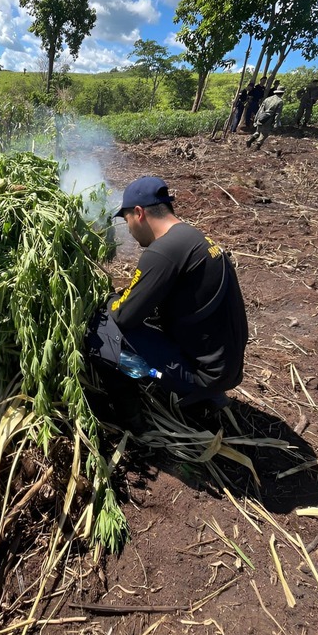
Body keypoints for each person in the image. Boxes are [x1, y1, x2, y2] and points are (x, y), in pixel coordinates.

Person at [85, 177, 248, 421]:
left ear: (139, 213)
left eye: (127, 220)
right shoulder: (192, 237)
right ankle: (208, 395)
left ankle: (131, 421)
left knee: (100, 328)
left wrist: (108, 299)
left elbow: (124, 315)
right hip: (225, 368)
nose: (128, 230)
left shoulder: (163, 251)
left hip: (201, 376)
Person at [246, 86, 285, 150]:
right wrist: (276, 124)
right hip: (268, 119)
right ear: (282, 93)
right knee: (264, 134)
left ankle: (250, 140)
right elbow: (277, 114)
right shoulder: (280, 101)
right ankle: (257, 146)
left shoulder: (267, 99)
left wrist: (256, 118)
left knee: (258, 131)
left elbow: (260, 109)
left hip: (261, 116)